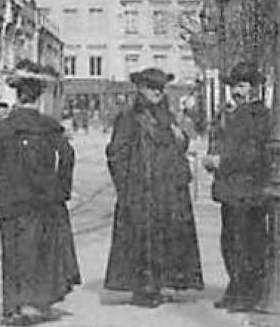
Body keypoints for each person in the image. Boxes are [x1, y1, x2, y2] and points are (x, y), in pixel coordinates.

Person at [0, 61, 80, 326]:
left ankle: (11, 308)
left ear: (17, 95)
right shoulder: (49, 127)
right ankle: (36, 300)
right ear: (39, 96)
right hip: (40, 202)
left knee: (11, 255)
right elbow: (67, 157)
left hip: (9, 203)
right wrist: (61, 191)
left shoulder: (2, 127)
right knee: (38, 251)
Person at [103, 67, 204, 307]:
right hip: (141, 189)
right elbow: (116, 154)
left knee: (168, 233)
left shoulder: (168, 117)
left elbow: (178, 145)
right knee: (142, 236)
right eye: (151, 87)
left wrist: (181, 139)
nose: (157, 92)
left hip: (168, 189)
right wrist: (126, 187)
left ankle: (164, 282)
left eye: (160, 88)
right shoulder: (129, 118)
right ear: (140, 88)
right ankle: (144, 287)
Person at [203, 63, 270, 312]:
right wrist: (211, 158)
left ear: (254, 88)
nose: (237, 91)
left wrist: (223, 161)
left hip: (250, 189)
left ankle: (249, 293)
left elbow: (253, 154)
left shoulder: (260, 115)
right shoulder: (227, 113)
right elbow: (218, 141)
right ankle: (236, 287)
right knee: (230, 241)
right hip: (230, 189)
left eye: (242, 86)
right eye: (234, 86)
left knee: (248, 243)